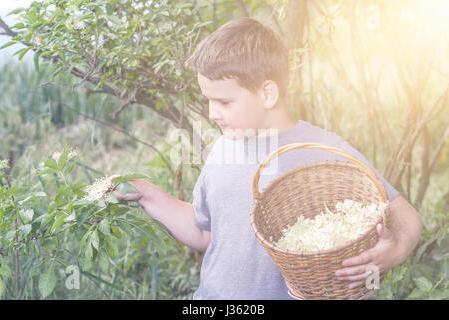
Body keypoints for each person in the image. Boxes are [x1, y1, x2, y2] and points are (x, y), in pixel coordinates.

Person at [111, 17, 422, 299]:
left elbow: (404, 214)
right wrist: (149, 195)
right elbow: (207, 232)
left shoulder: (322, 150)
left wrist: (394, 251)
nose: (212, 113)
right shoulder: (221, 148)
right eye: (207, 100)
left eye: (223, 101)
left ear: (268, 94)